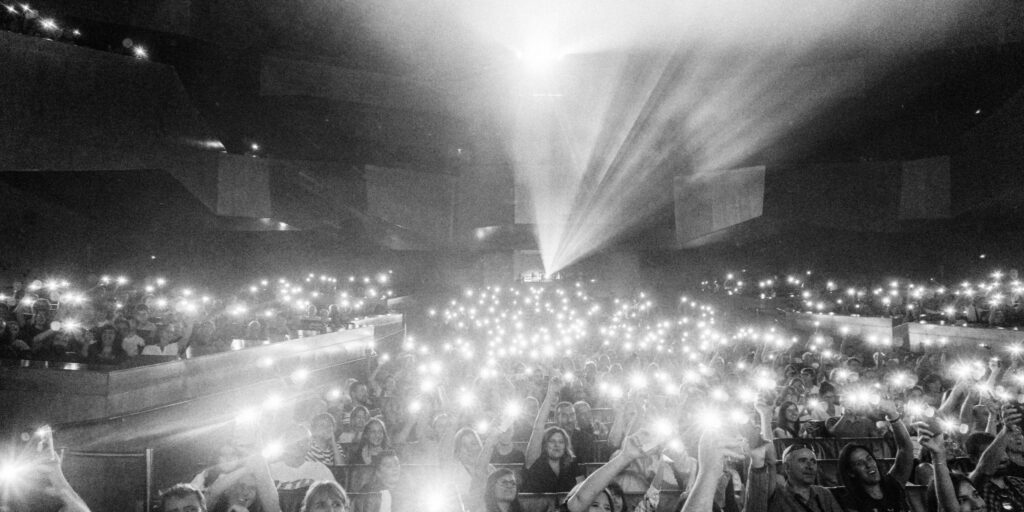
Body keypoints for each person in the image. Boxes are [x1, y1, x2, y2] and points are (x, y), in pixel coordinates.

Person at [833, 399, 915, 512]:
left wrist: (893, 416)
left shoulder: (892, 486)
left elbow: (905, 449)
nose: (868, 465)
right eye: (860, 463)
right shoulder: (850, 502)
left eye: (869, 459)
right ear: (851, 472)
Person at [521, 378, 585, 493]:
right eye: (552, 441)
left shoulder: (572, 463)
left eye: (561, 442)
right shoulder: (534, 460)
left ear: (565, 446)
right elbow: (538, 428)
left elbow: (581, 491)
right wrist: (550, 396)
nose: (557, 445)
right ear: (545, 444)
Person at [745, 443, 844, 512]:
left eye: (813, 461)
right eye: (802, 460)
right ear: (787, 467)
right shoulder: (776, 495)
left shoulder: (824, 493)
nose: (810, 466)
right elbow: (755, 503)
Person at [967, 405, 1024, 512]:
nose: (1001, 458)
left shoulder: (1019, 483)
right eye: (994, 454)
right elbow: (984, 470)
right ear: (974, 459)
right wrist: (1006, 429)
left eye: (1002, 452)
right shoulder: (972, 488)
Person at [267, 424, 336, 491]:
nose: (299, 444)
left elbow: (335, 498)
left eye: (304, 441)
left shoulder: (321, 470)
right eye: (294, 438)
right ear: (284, 443)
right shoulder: (271, 471)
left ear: (309, 445)